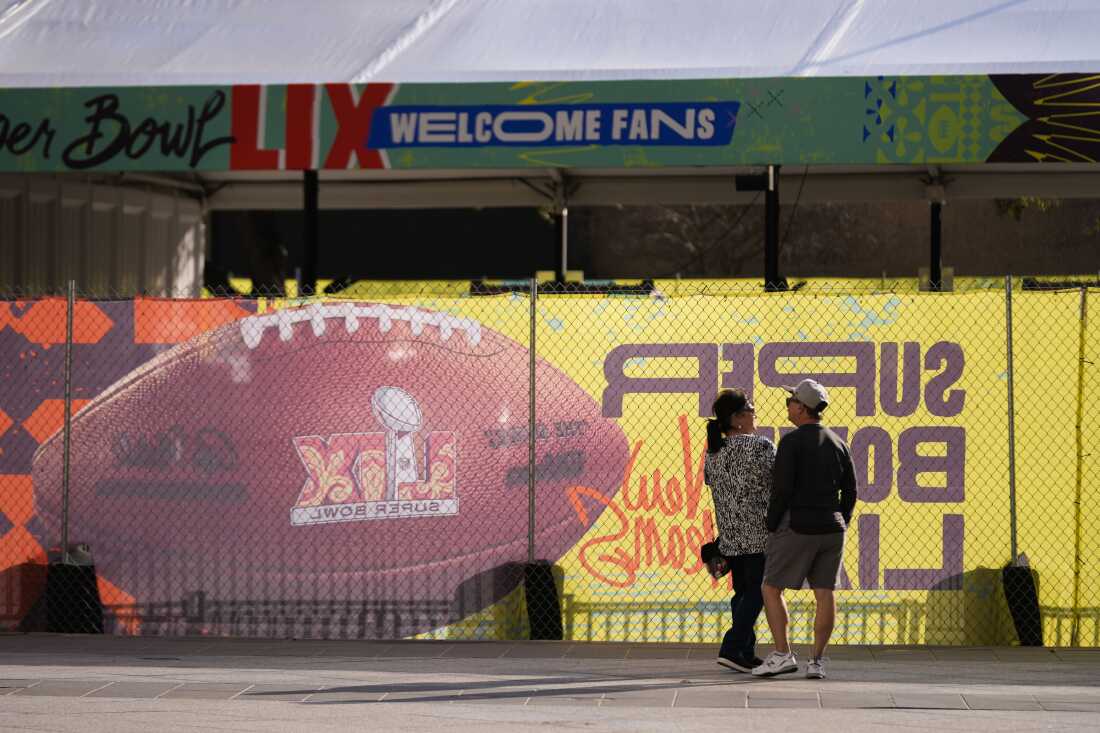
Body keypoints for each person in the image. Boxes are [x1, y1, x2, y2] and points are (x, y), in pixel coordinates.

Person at [752, 379, 857, 680]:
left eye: (791, 401)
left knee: (770, 587)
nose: (787, 405)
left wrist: (771, 524)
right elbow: (850, 491)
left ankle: (783, 653)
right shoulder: (840, 443)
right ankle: (817, 661)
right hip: (832, 529)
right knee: (825, 593)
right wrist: (842, 519)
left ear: (801, 408)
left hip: (798, 525)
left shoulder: (792, 442)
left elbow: (782, 490)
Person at [703, 388, 775, 673]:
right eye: (751, 408)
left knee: (742, 593)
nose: (755, 412)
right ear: (738, 418)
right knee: (758, 592)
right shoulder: (761, 447)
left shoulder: (713, 453)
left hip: (731, 535)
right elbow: (780, 481)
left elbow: (713, 484)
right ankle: (732, 647)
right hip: (759, 533)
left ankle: (745, 650)